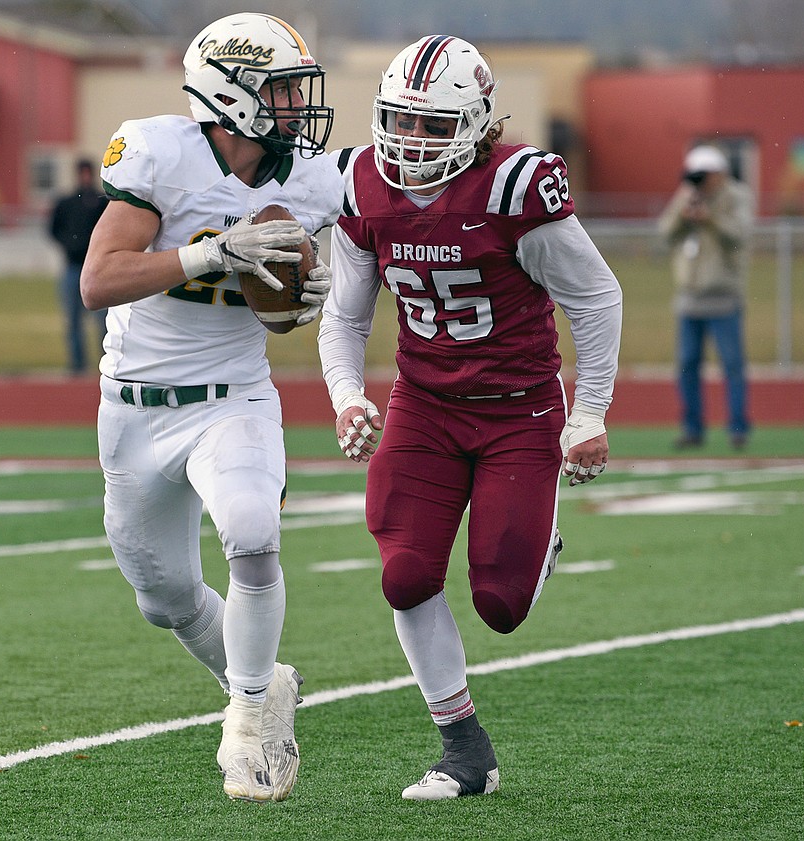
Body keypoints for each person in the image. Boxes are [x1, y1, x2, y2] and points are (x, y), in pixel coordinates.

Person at [318, 35, 623, 801]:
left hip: (518, 409)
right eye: (399, 119)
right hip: (424, 405)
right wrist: (347, 395)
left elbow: (597, 296)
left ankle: (538, 532)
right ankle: (463, 749)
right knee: (405, 572)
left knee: (500, 603)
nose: (409, 140)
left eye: (431, 125)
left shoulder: (513, 186)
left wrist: (587, 412)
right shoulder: (363, 183)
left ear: (478, 123)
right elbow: (346, 314)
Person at [79, 13, 341, 803]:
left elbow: (290, 298)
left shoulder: (312, 178)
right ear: (231, 91)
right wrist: (209, 251)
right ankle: (265, 683)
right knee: (162, 600)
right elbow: (98, 279)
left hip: (234, 395)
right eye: (282, 88)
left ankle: (250, 716)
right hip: (135, 403)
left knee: (254, 534)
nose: (298, 104)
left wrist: (306, 299)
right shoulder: (163, 152)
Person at [657, 145, 754, 450]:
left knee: (732, 365)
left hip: (723, 296)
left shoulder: (737, 196)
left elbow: (739, 235)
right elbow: (665, 233)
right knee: (686, 365)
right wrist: (684, 215)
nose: (698, 181)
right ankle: (692, 428)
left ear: (719, 173)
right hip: (689, 297)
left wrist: (710, 218)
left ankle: (738, 428)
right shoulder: (688, 194)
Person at [49, 159, 110, 374]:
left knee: (104, 321)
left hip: (98, 268)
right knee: (73, 319)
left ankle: (107, 363)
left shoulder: (102, 202)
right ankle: (77, 364)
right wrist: (69, 244)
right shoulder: (66, 202)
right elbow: (53, 229)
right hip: (73, 267)